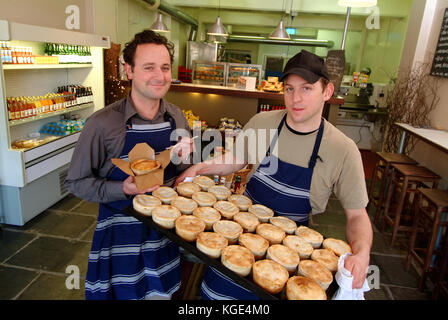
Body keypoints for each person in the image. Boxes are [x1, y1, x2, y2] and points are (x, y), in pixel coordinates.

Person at [175, 49, 373, 300]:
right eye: (289, 89)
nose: (295, 98)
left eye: (307, 89)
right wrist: (200, 167)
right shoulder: (263, 122)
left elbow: (357, 215)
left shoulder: (343, 150)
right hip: (238, 235)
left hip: (291, 253)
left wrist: (363, 251)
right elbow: (235, 160)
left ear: (328, 91)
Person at [65, 30, 193, 300]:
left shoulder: (177, 118)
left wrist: (190, 160)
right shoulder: (102, 124)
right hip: (119, 237)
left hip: (165, 236)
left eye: (165, 67)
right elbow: (75, 182)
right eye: (149, 67)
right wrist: (122, 188)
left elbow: (181, 173)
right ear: (129, 70)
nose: (159, 76)